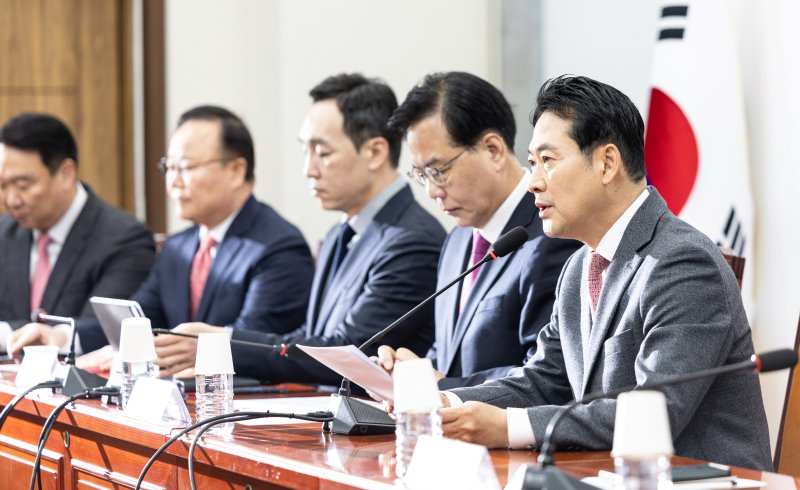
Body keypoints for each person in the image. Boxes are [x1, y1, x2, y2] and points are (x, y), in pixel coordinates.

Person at [436, 75, 773, 471]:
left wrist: (507, 426)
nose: (533, 183)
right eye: (532, 163)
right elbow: (545, 380)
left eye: (548, 160)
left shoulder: (682, 262)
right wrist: (447, 403)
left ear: (607, 163)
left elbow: (653, 414)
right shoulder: (579, 266)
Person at [164, 74, 446, 385]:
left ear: (376, 153)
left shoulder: (412, 240)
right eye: (305, 152)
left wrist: (225, 344)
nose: (308, 170)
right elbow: (312, 336)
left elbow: (347, 352)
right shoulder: (341, 233)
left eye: (322, 153)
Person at [377, 72, 579, 389]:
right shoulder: (457, 240)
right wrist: (412, 374)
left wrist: (444, 387)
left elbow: (549, 375)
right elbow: (451, 355)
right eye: (421, 175)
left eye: (438, 171)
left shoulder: (552, 235)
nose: (431, 191)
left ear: (493, 149)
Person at [136, 105, 315, 376]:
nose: (173, 182)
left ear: (236, 170)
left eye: (186, 167)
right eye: (169, 167)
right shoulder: (177, 247)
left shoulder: (279, 246)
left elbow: (253, 344)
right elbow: (142, 319)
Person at [0, 112, 155, 355]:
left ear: (66, 174)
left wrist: (8, 332)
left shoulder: (124, 238)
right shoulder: (4, 232)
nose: (10, 200)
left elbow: (105, 328)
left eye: (23, 186)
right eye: (2, 186)